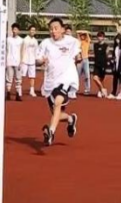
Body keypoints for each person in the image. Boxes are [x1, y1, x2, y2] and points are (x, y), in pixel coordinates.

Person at [36, 17, 80, 146]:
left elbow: (78, 55)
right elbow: (37, 60)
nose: (53, 31)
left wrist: (79, 57)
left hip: (66, 78)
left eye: (56, 28)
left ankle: (51, 132)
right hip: (51, 81)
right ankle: (71, 119)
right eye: (51, 29)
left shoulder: (71, 41)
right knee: (57, 113)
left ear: (62, 30)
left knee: (57, 102)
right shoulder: (45, 43)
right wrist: (41, 61)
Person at [6, 23, 24, 101]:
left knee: (18, 79)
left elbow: (22, 51)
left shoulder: (21, 40)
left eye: (16, 29)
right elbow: (6, 50)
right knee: (9, 78)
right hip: (9, 61)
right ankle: (8, 93)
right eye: (13, 29)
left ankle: (18, 94)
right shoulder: (8, 39)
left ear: (18, 31)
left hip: (17, 61)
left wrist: (21, 61)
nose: (14, 31)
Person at [21, 25, 39, 97]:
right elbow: (22, 49)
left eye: (34, 30)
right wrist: (21, 59)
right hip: (25, 60)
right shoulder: (25, 40)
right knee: (22, 75)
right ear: (29, 31)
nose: (32, 31)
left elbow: (36, 51)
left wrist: (36, 59)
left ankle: (32, 90)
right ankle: (19, 89)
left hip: (32, 61)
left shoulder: (35, 41)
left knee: (32, 76)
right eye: (31, 30)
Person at [109, 33, 121, 100]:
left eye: (118, 39)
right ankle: (113, 92)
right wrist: (112, 61)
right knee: (115, 80)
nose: (117, 40)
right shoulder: (115, 47)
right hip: (116, 67)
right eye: (116, 39)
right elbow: (113, 56)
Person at [92, 31, 109, 98]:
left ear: (103, 37)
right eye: (98, 36)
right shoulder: (95, 45)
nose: (99, 38)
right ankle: (103, 89)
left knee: (101, 79)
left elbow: (107, 55)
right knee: (95, 78)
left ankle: (101, 91)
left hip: (103, 65)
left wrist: (106, 63)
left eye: (101, 36)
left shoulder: (106, 46)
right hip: (96, 64)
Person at [76, 30, 92, 95]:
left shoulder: (87, 41)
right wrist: (80, 32)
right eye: (81, 35)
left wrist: (84, 32)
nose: (82, 36)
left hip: (85, 59)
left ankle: (87, 89)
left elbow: (88, 34)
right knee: (77, 75)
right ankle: (75, 88)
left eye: (83, 35)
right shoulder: (79, 42)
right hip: (79, 61)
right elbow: (77, 33)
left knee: (87, 75)